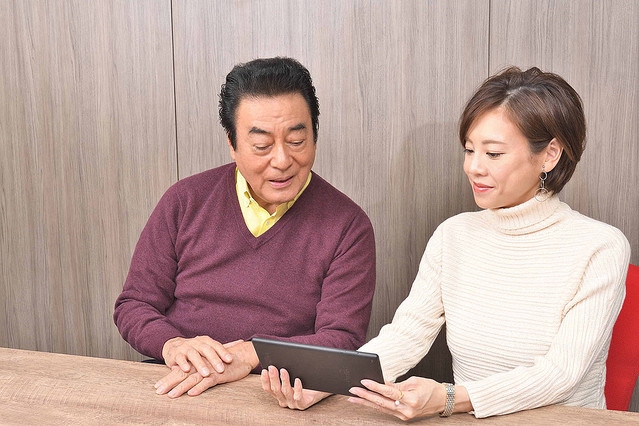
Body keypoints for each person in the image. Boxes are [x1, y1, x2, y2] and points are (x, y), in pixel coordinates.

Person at [261, 66, 631, 419]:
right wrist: (327, 384)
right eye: (469, 150)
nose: (473, 167)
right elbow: (407, 335)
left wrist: (451, 398)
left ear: (550, 154)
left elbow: (561, 374)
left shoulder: (600, 247)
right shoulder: (454, 236)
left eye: (493, 153)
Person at [113, 57, 376, 398]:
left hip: (277, 391)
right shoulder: (185, 200)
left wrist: (253, 354)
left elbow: (342, 338)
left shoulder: (348, 226)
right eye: (262, 146)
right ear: (232, 143)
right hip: (182, 381)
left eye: (296, 141)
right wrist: (172, 344)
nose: (282, 160)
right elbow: (134, 304)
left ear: (314, 136)